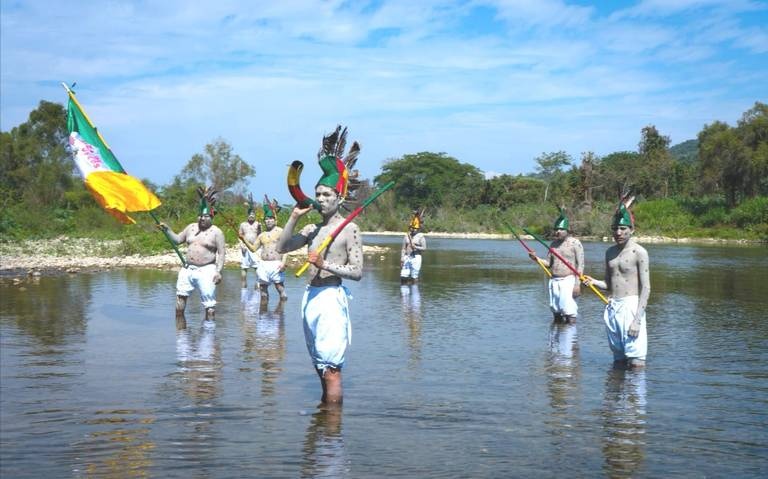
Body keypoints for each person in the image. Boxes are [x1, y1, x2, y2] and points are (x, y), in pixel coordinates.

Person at [276, 125, 363, 405]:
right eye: (319, 194)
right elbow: (282, 247)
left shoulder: (349, 229)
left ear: (339, 197)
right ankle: (324, 423)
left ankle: (331, 437)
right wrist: (293, 218)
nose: (322, 199)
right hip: (310, 296)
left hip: (330, 297)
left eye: (327, 195)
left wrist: (326, 264)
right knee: (318, 363)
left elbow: (358, 273)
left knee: (332, 368)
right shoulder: (313, 228)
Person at [583, 196, 651, 368]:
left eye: (622, 228)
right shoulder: (609, 252)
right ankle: (615, 393)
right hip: (613, 307)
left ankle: (635, 394)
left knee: (636, 363)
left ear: (632, 230)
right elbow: (609, 284)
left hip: (631, 307)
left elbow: (646, 288)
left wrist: (637, 319)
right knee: (618, 361)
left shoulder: (639, 252)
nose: (618, 233)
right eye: (615, 229)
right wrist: (593, 282)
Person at [159, 186, 226, 321]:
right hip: (188, 268)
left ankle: (209, 332)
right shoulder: (191, 227)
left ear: (211, 216)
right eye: (200, 215)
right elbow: (178, 240)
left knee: (209, 304)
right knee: (180, 296)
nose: (202, 218)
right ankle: (180, 331)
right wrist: (167, 229)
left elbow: (222, 254)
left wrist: (218, 271)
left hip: (207, 270)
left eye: (205, 216)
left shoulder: (217, 232)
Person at [529, 208, 584, 323]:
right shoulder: (553, 244)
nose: (558, 231)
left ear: (567, 230)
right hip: (554, 280)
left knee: (569, 311)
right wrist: (536, 258)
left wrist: (577, 284)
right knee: (555, 310)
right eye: (556, 229)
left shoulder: (575, 243)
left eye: (561, 229)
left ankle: (570, 337)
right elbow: (548, 264)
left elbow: (581, 264)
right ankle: (557, 337)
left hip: (568, 280)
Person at [240, 201, 288, 302]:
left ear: (275, 220)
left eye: (270, 219)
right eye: (266, 219)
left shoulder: (280, 231)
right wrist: (243, 239)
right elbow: (253, 249)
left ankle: (282, 313)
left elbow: (286, 248)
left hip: (277, 264)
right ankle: (263, 314)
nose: (268, 221)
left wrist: (283, 263)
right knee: (263, 289)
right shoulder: (262, 235)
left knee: (280, 288)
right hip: (263, 264)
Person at [238, 194, 262, 289]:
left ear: (255, 216)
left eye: (253, 215)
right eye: (250, 215)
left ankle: (257, 286)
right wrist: (241, 245)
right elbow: (240, 236)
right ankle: (244, 286)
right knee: (244, 267)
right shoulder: (243, 224)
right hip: (245, 248)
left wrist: (260, 227)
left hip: (256, 248)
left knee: (257, 268)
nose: (251, 216)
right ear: (247, 215)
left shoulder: (258, 224)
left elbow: (260, 235)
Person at [400, 209, 427, 284]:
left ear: (418, 229)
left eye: (414, 229)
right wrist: (402, 258)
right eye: (411, 228)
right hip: (407, 257)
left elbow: (424, 248)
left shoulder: (420, 236)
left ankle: (415, 291)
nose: (413, 230)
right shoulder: (406, 236)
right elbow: (403, 248)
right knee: (403, 276)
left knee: (414, 276)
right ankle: (404, 293)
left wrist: (416, 247)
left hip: (416, 257)